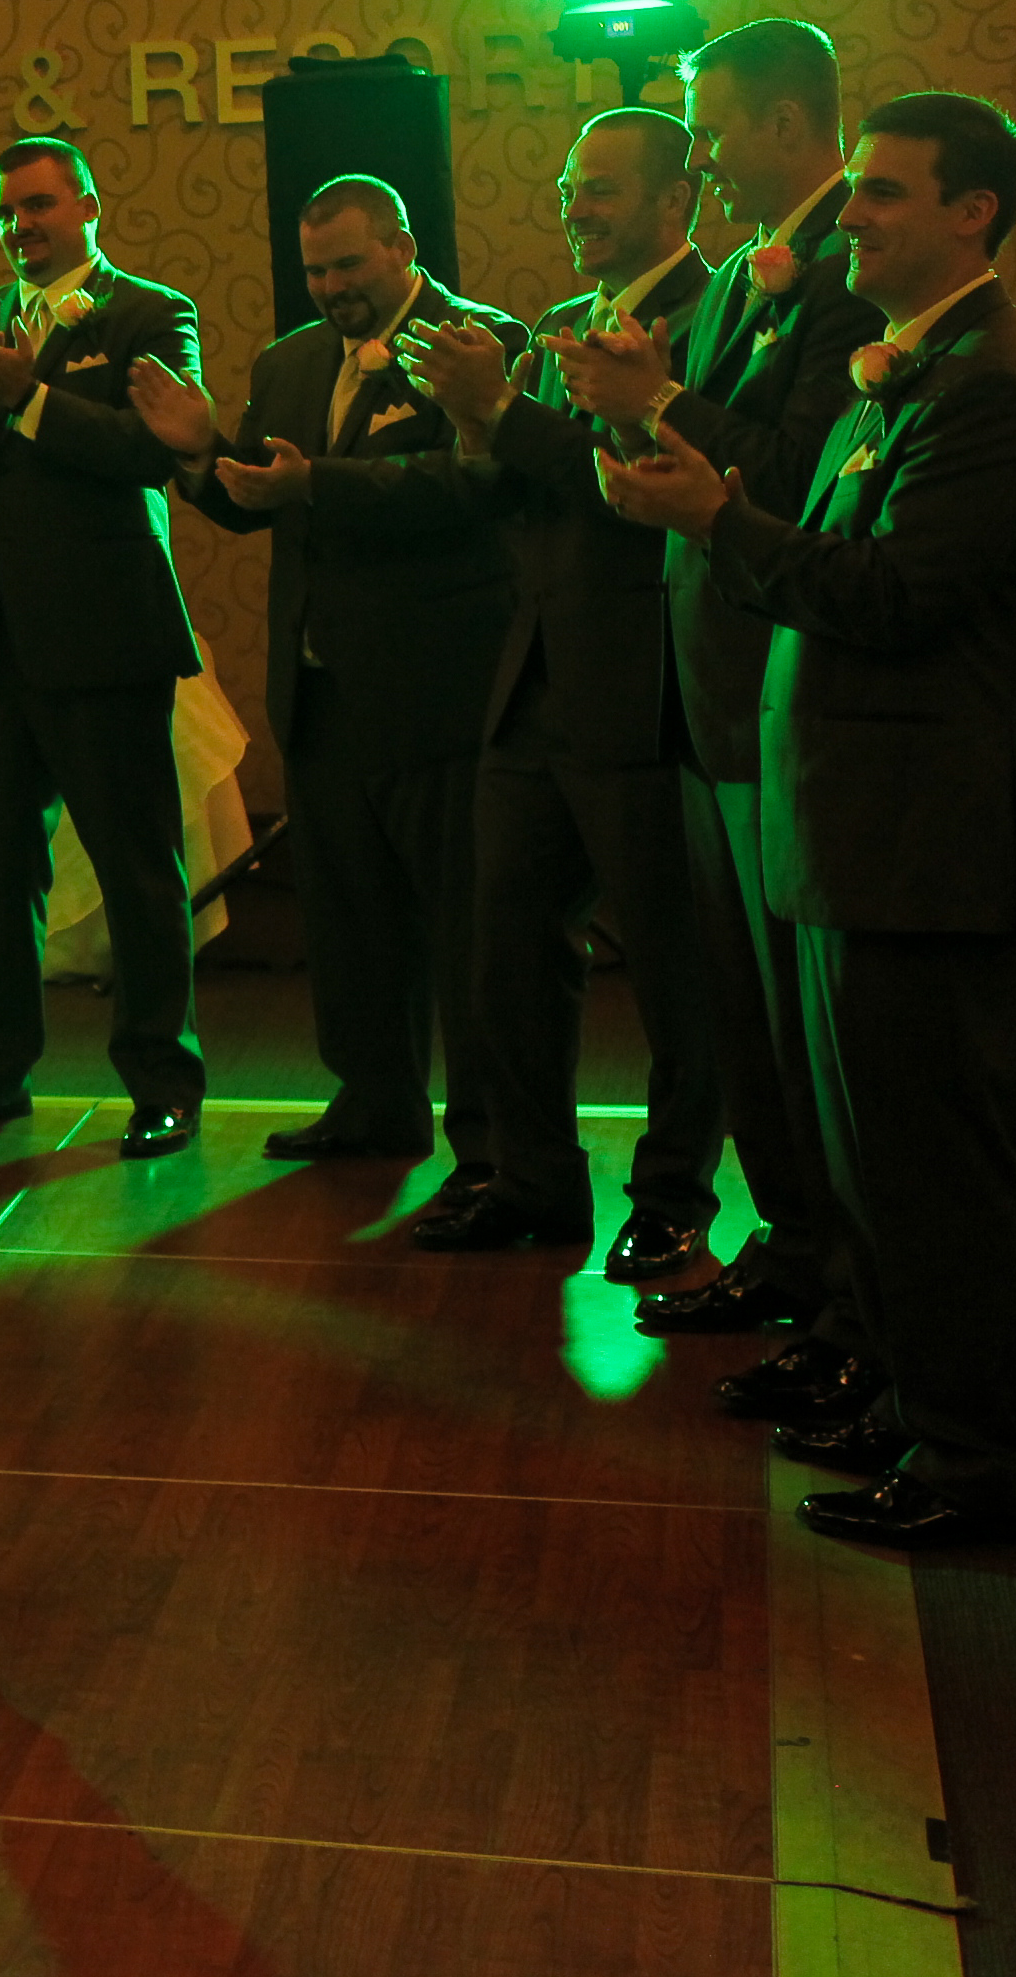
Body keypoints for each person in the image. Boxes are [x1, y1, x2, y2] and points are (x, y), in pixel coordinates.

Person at [601, 92, 1016, 1549]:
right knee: (873, 1166)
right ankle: (911, 1409)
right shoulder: (904, 371)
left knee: (941, 1175)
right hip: (856, 832)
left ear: (971, 212)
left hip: (924, 849)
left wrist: (714, 525)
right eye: (855, 190)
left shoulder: (989, 385)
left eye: (880, 193)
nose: (848, 214)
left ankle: (977, 1467)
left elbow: (895, 600)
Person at [555, 18, 886, 1396]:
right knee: (744, 1015)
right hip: (703, 687)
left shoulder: (846, 278)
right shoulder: (761, 272)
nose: (700, 150)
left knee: (809, 1039)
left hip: (772, 688)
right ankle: (795, 1250)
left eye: (715, 123)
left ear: (787, 120)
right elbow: (714, 453)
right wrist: (642, 440)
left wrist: (665, 396)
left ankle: (848, 1297)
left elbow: (804, 467)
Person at [132, 179, 526, 1180]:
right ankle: (375, 1103)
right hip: (321, 695)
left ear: (400, 245)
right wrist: (198, 456)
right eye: (315, 269)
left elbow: (471, 486)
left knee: (464, 929)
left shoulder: (476, 341)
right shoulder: (290, 359)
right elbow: (256, 504)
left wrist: (319, 483)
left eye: (348, 264)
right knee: (349, 925)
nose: (331, 286)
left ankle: (487, 1137)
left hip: (437, 690)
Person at [392, 111, 724, 1267]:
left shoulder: (710, 318)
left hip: (645, 686)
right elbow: (516, 500)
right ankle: (531, 1178)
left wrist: (512, 415)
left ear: (676, 203)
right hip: (530, 679)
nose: (575, 207)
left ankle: (675, 1194)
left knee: (679, 969)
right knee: (509, 949)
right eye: (568, 185)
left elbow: (639, 494)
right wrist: (480, 422)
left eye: (604, 190)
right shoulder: (553, 324)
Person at [0, 134, 209, 1157]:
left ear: (88, 203)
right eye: (6, 212)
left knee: (136, 869)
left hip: (105, 630)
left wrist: (25, 399)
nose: (21, 227)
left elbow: (152, 449)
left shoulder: (151, 314)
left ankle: (162, 1080)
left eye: (38, 206)